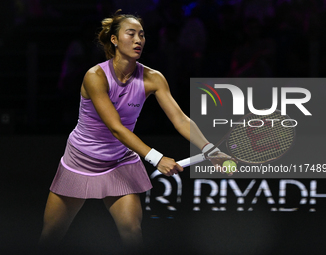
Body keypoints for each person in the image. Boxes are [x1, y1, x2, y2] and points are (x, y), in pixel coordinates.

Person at [38, 10, 231, 254]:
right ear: (115, 40)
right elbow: (116, 128)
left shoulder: (153, 78)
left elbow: (180, 119)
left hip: (120, 161)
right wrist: (157, 158)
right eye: (131, 34)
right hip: (81, 159)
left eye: (142, 35)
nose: (139, 39)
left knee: (132, 231)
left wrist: (209, 148)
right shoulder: (95, 76)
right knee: (51, 235)